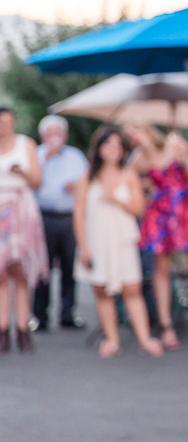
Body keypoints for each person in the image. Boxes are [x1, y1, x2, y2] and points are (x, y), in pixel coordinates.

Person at [125, 124, 188, 350]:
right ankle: (166, 325)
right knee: (161, 271)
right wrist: (145, 185)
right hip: (160, 213)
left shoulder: (174, 145)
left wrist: (185, 155)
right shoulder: (138, 159)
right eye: (130, 135)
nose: (133, 137)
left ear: (147, 130)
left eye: (135, 131)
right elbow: (127, 182)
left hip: (187, 209)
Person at [73, 127, 163, 358]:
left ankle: (144, 338)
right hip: (97, 240)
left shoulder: (129, 174)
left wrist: (115, 198)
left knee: (132, 289)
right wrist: (83, 246)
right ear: (99, 148)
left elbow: (139, 208)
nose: (113, 150)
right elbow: (79, 214)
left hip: (122, 239)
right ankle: (112, 338)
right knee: (102, 290)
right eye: (108, 145)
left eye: (117, 146)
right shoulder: (87, 178)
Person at [32, 115, 89, 332]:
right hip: (43, 217)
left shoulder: (75, 156)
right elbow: (31, 183)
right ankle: (39, 316)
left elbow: (87, 180)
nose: (55, 138)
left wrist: (76, 186)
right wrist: (47, 157)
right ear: (43, 136)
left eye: (59, 133)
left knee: (69, 268)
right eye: (51, 134)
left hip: (68, 217)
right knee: (42, 269)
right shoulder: (36, 155)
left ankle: (68, 314)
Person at [0, 107, 46, 353]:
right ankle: (3, 329)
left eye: (7, 122)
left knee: (20, 271)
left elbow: (38, 181)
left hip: (20, 210)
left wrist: (22, 172)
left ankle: (22, 328)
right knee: (1, 273)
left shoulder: (25, 145)